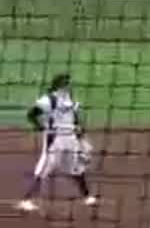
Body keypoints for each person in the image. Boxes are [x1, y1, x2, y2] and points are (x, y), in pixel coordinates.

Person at [18, 73, 96, 213]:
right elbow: (31, 114)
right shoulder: (48, 100)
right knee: (44, 169)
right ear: (61, 84)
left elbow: (74, 117)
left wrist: (80, 132)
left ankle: (87, 196)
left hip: (71, 138)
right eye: (68, 83)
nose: (70, 85)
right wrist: (40, 127)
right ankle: (26, 200)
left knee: (77, 166)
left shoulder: (69, 98)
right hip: (55, 139)